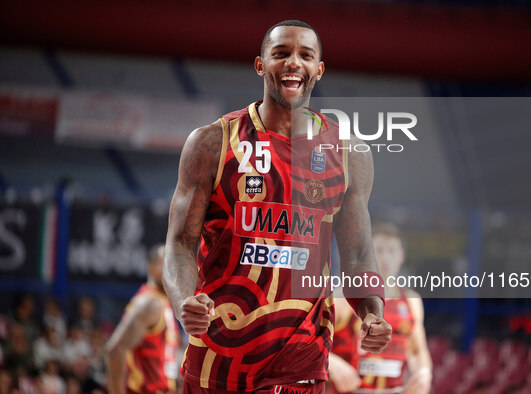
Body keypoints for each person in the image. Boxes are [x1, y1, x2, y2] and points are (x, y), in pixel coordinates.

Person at [163, 20, 392, 393]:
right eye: (281, 53)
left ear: (319, 69)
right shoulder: (212, 143)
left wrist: (372, 313)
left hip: (300, 355)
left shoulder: (349, 153)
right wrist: (184, 302)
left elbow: (359, 252)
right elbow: (179, 243)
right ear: (260, 64)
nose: (293, 63)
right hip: (218, 355)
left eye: (305, 55)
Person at [329, 223, 432, 394]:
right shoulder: (343, 297)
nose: (385, 258)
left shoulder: (411, 301)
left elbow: (417, 352)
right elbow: (309, 344)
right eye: (379, 250)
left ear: (401, 256)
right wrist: (331, 363)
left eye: (391, 251)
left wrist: (424, 373)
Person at [106, 244, 179, 394]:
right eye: (165, 261)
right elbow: (114, 350)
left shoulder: (163, 304)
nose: (171, 268)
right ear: (151, 267)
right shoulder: (150, 303)